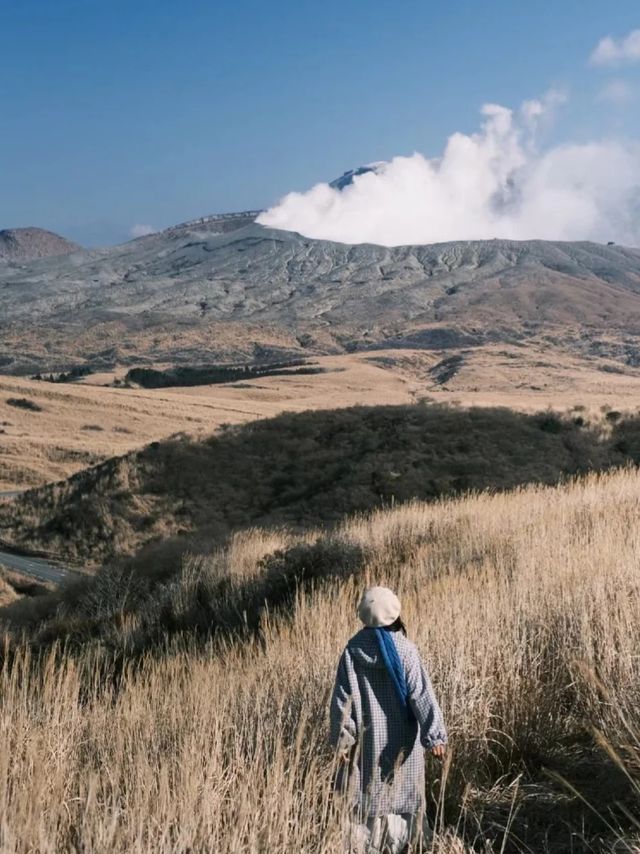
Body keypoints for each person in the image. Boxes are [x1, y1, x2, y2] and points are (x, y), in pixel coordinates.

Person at [330, 586, 447, 853]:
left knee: (368, 801)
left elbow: (342, 703)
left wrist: (342, 742)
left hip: (367, 747)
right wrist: (435, 737)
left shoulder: (351, 653)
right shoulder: (406, 650)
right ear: (395, 614)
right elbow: (421, 695)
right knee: (404, 801)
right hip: (404, 746)